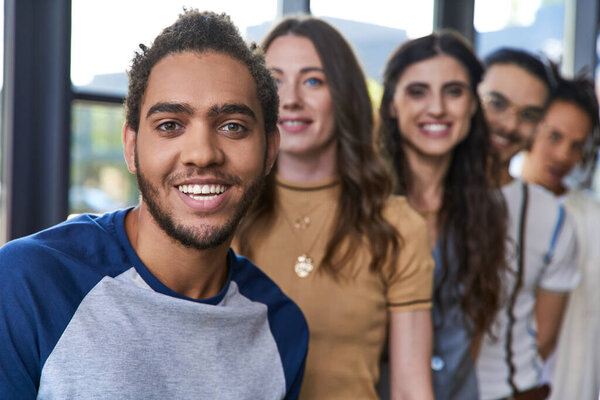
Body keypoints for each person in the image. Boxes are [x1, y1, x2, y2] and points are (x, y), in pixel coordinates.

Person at [0, 10, 308, 399]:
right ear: (131, 148)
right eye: (170, 125)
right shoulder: (28, 282)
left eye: (233, 126)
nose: (202, 153)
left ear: (269, 151)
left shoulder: (282, 326)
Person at [234, 17, 435, 400]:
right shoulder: (228, 210)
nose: (290, 98)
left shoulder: (397, 225)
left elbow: (411, 388)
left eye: (313, 80)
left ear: (344, 96)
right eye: (275, 81)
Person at [378, 31, 508, 400]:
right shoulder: (363, 204)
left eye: (453, 91)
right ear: (391, 104)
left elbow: (474, 330)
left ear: (472, 105)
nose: (437, 108)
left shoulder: (488, 209)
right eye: (417, 92)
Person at [476, 48, 579, 400]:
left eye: (528, 115)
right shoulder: (426, 196)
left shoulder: (552, 217)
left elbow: (545, 338)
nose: (508, 124)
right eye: (496, 103)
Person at [520, 71, 600, 400]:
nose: (564, 155)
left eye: (576, 145)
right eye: (554, 136)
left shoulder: (591, 221)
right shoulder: (491, 205)